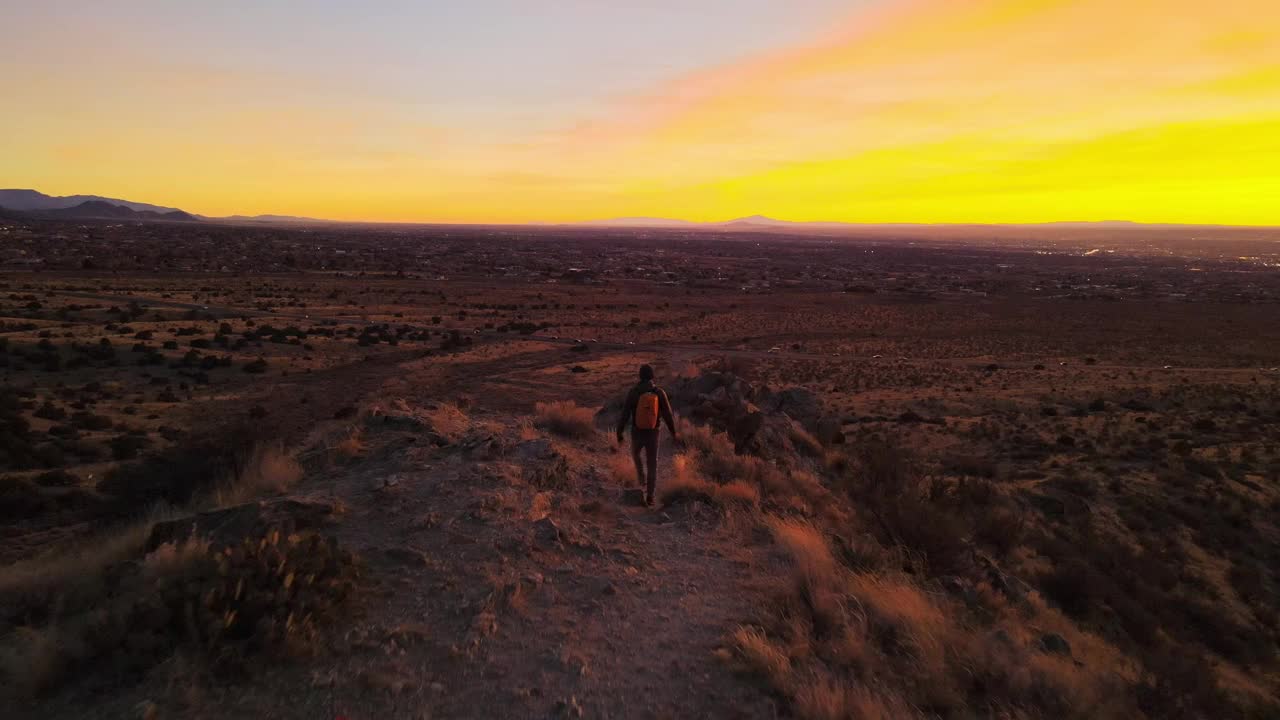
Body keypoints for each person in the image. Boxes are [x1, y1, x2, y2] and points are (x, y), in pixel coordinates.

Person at [616, 364, 679, 506]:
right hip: (653, 432)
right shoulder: (659, 392)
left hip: (637, 431)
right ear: (652, 376)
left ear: (640, 376)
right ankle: (650, 496)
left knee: (635, 454)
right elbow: (668, 415)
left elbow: (625, 414)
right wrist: (674, 433)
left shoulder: (633, 392)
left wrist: (619, 432)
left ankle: (641, 476)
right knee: (652, 464)